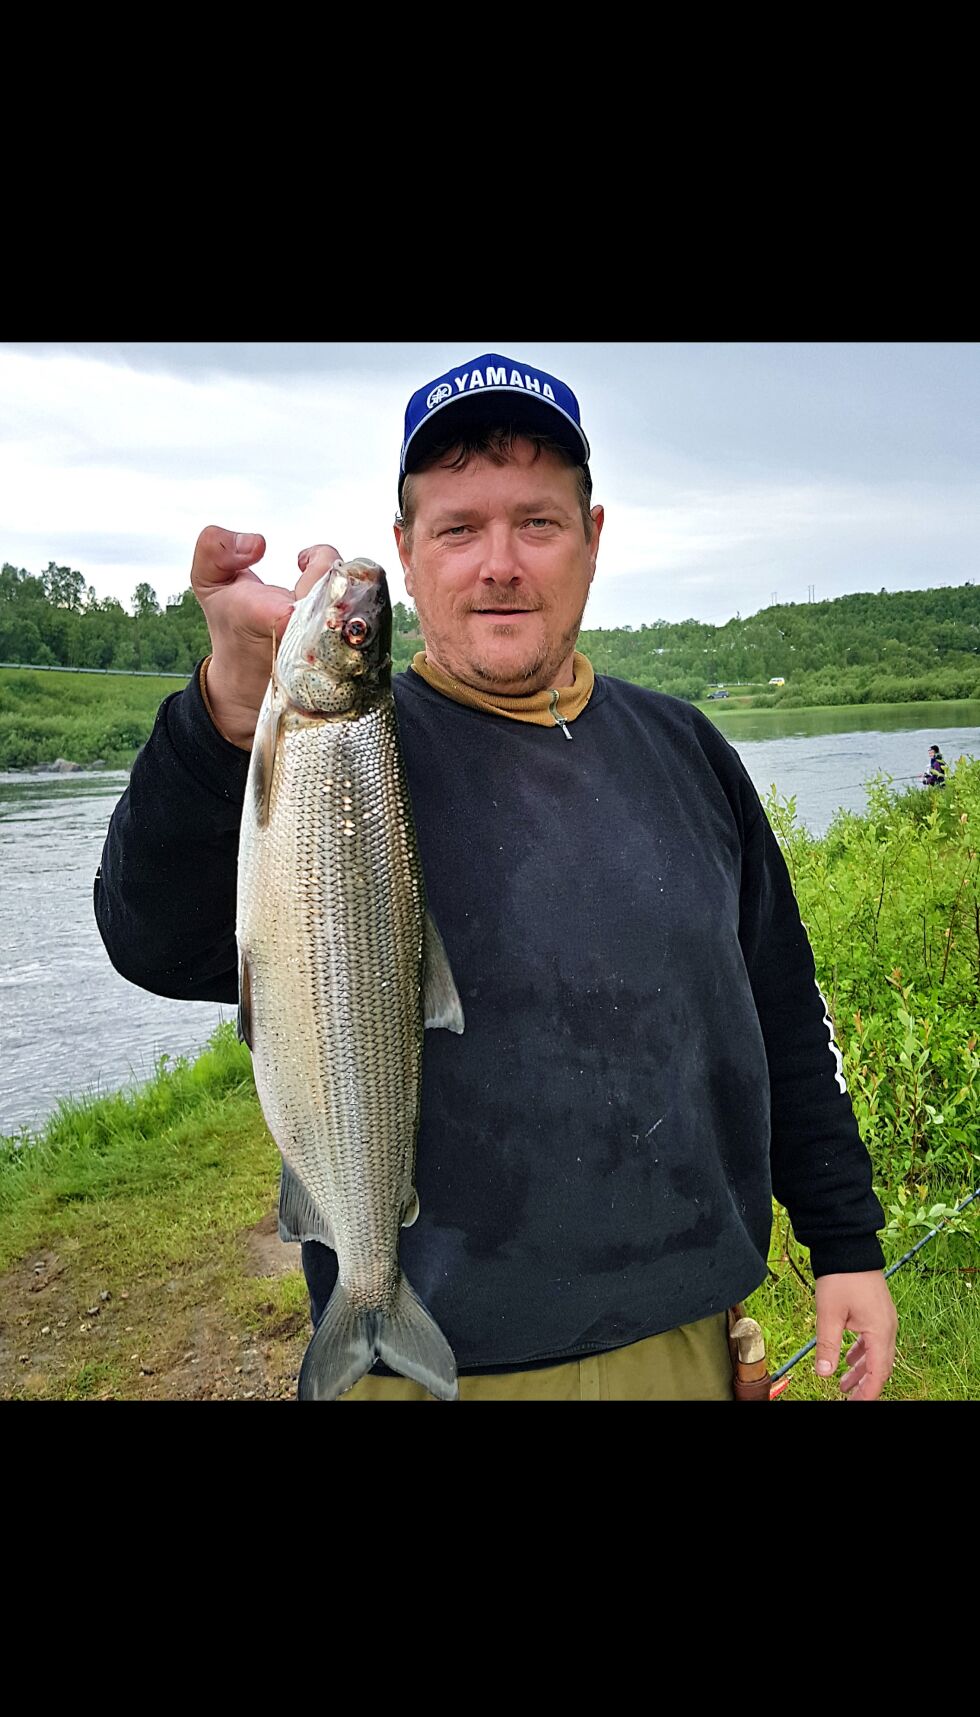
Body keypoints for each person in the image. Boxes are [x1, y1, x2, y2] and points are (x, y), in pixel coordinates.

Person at [94, 351, 898, 1401]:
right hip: (428, 1366)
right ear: (405, 552)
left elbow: (783, 1014)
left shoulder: (688, 751)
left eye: (537, 522)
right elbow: (151, 939)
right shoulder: (342, 761)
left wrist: (845, 1240)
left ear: (592, 540)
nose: (499, 564)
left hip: (683, 1343)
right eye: (457, 529)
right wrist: (225, 717)